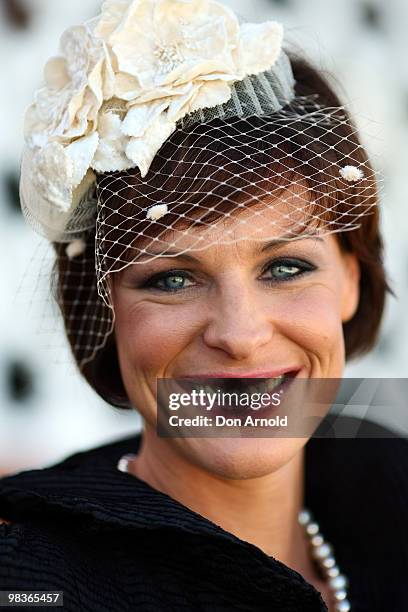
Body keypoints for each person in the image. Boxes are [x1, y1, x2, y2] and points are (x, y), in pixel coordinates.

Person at [1, 1, 407, 611]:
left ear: (351, 278)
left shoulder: (389, 492)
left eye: (286, 268)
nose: (240, 334)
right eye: (172, 280)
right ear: (104, 307)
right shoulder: (33, 582)